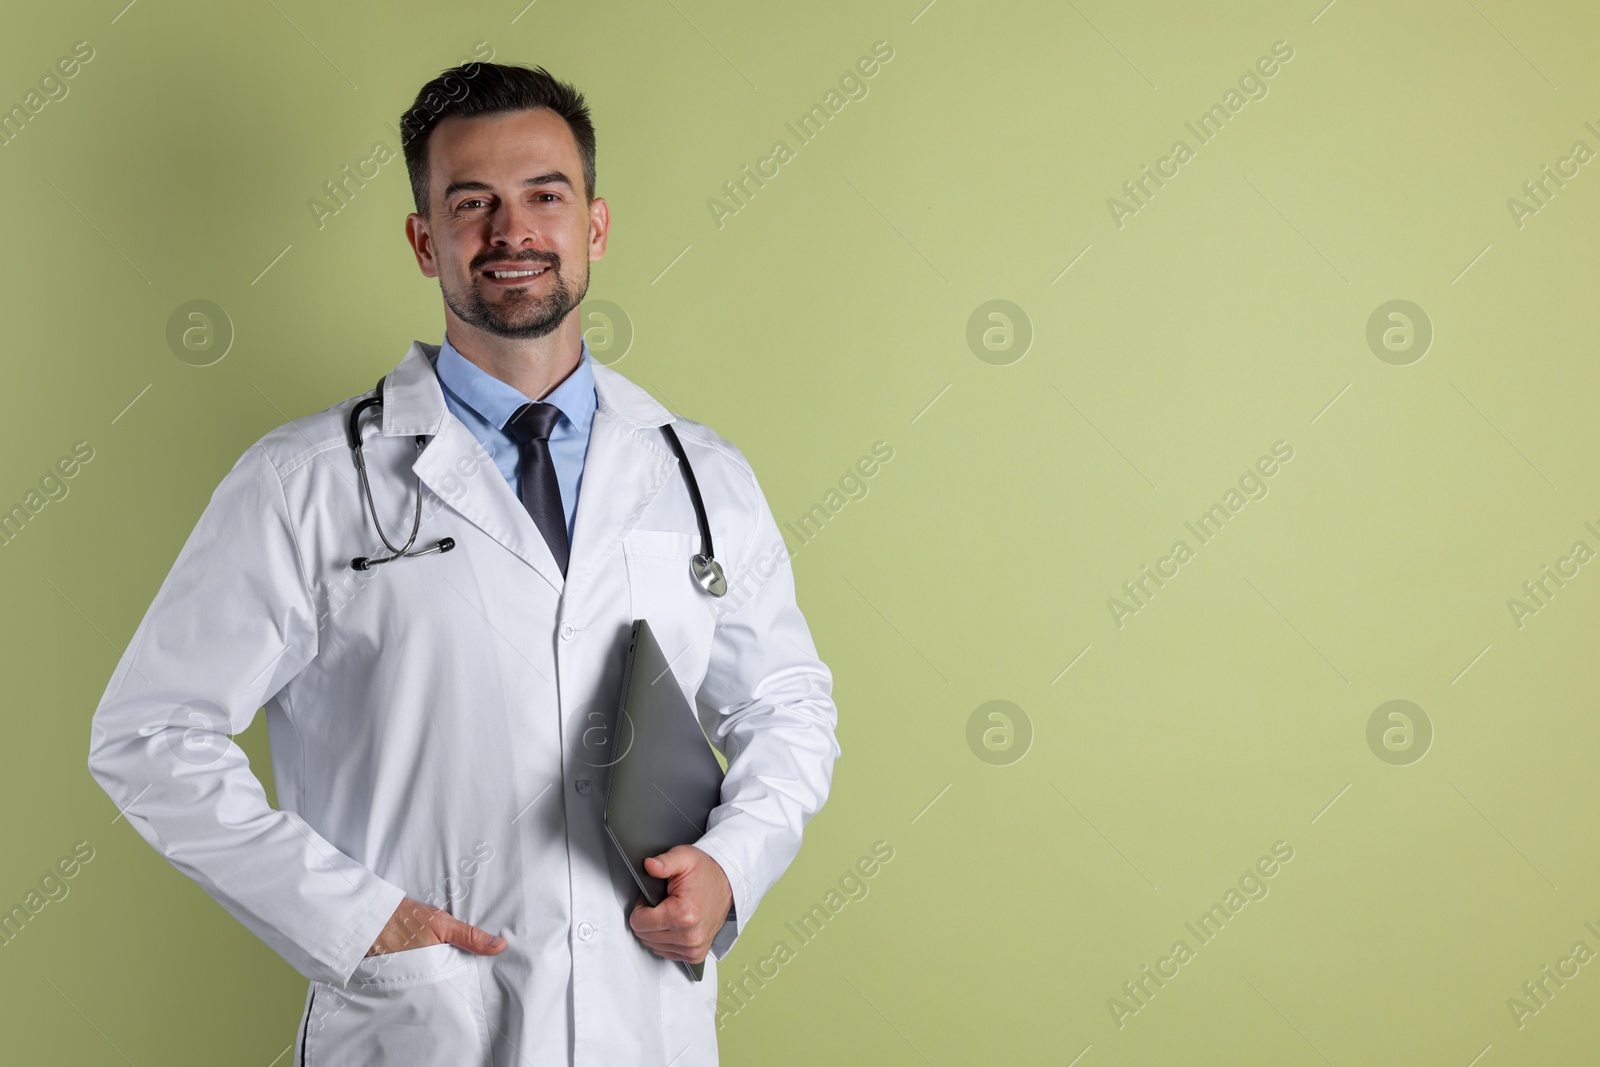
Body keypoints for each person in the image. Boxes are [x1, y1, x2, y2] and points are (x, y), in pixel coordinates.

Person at [85, 61, 840, 1066]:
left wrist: (731, 865)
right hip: (423, 1025)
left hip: (643, 1018)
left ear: (595, 228)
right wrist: (355, 917)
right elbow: (150, 731)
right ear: (423, 238)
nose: (511, 230)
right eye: (470, 202)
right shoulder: (303, 482)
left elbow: (788, 702)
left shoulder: (700, 474)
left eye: (544, 196)